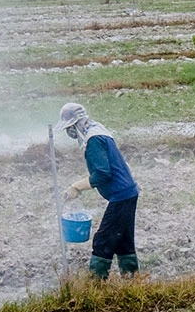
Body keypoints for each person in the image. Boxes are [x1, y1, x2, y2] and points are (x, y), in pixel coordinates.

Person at [58, 102, 140, 279]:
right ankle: (133, 281)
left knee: (103, 240)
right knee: (123, 241)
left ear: (76, 124)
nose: (70, 133)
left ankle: (95, 286)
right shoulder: (99, 132)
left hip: (121, 196)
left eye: (70, 128)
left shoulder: (93, 140)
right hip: (128, 192)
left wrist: (76, 186)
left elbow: (102, 174)